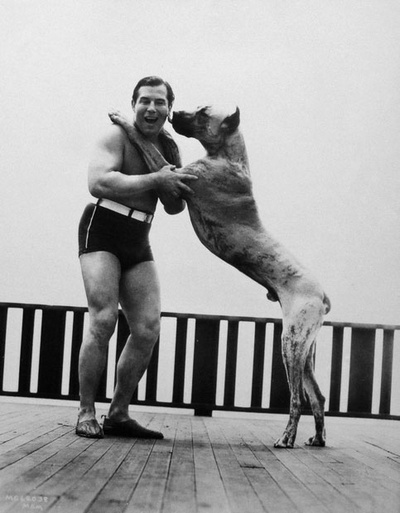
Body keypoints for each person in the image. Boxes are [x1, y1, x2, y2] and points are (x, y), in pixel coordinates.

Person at [76, 76, 197, 438]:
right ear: (134, 105)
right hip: (102, 226)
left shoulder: (168, 149)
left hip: (139, 235)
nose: (151, 108)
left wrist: (167, 174)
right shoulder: (116, 136)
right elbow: (99, 183)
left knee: (147, 328)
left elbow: (174, 206)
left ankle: (118, 413)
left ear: (169, 109)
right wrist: (156, 179)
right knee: (103, 319)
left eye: (160, 102)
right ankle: (86, 412)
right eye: (145, 101)